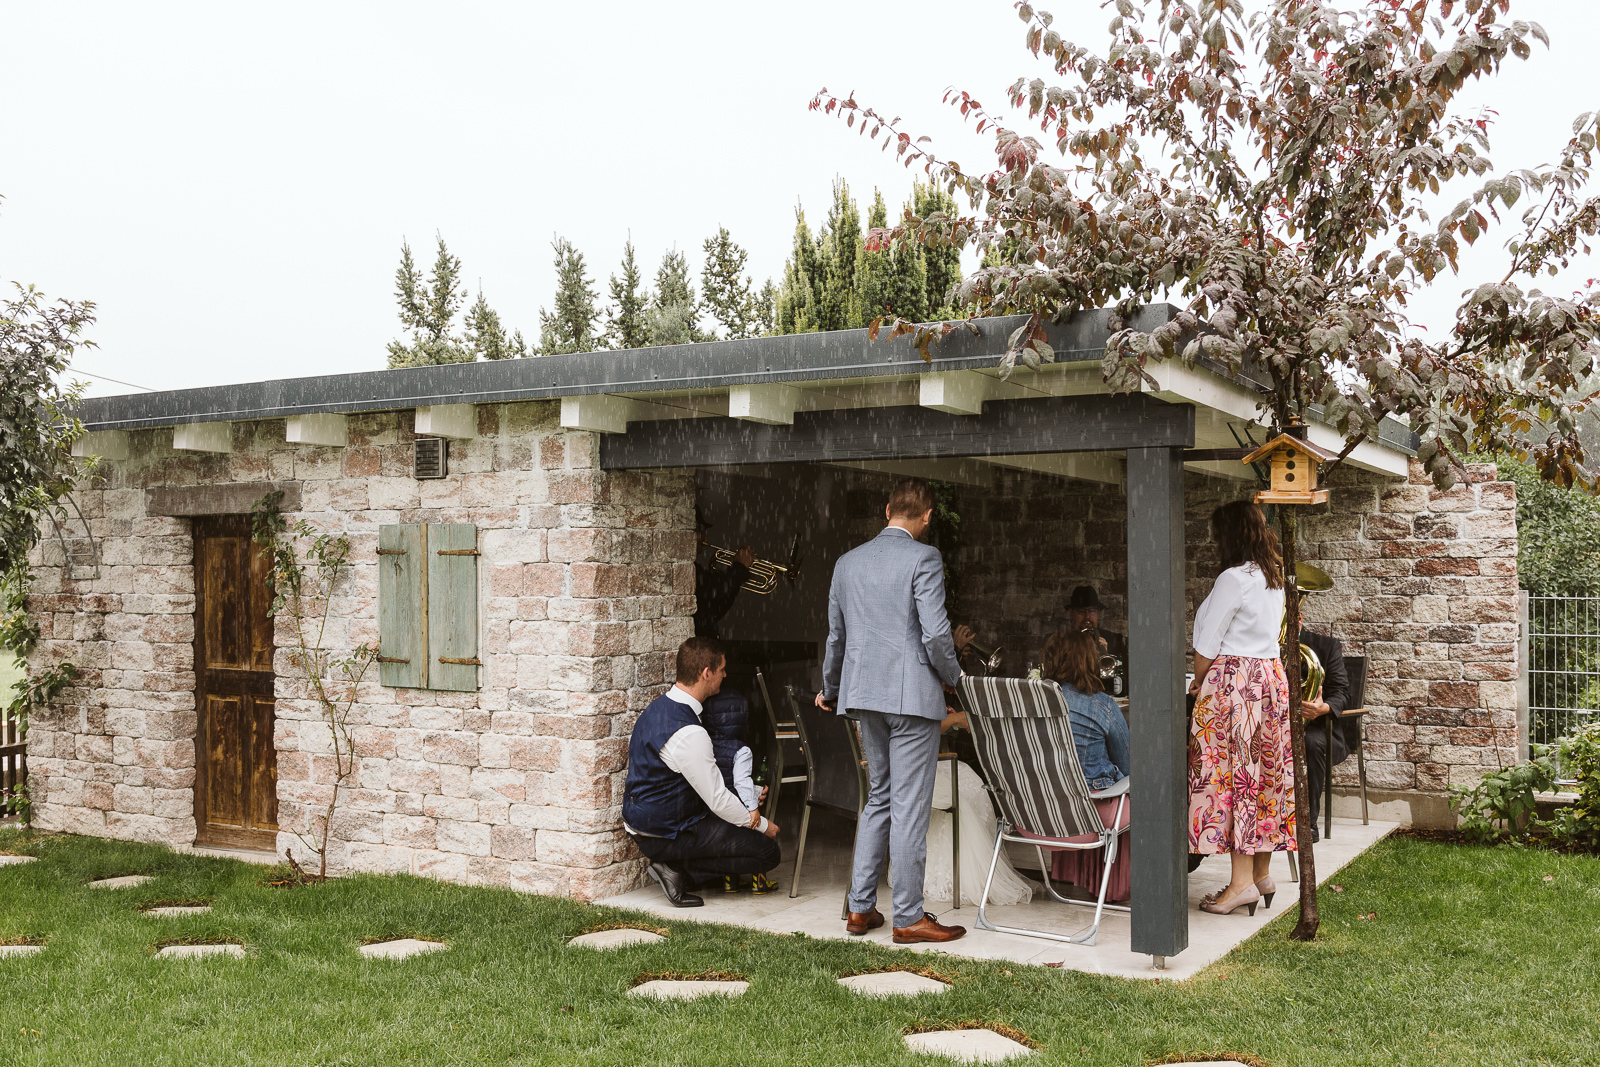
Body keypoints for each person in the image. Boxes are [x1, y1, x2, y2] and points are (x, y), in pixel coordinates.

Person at [817, 477, 968, 945]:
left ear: (887, 510)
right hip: (911, 700)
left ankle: (860, 910)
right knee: (908, 806)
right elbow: (936, 634)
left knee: (878, 798)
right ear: (925, 517)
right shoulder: (924, 557)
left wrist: (830, 687)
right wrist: (956, 679)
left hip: (863, 697)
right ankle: (907, 916)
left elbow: (836, 637)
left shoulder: (847, 563)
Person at [1188, 500, 1295, 917]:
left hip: (1234, 683)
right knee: (1264, 774)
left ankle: (1239, 885)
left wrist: (1200, 682)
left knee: (1236, 778)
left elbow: (1207, 644)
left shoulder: (1233, 579)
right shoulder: (1274, 577)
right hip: (1269, 679)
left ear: (1229, 535)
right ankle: (1260, 875)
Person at [622, 637, 781, 907]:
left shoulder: (657, 708)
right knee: (766, 853)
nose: (725, 675)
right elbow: (717, 800)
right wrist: (763, 825)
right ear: (706, 673)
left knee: (735, 827)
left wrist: (747, 796)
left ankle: (680, 867)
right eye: (722, 670)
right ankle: (678, 871)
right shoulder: (689, 731)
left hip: (644, 822)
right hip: (665, 832)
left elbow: (684, 776)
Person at [1037, 627, 1133, 901]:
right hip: (1089, 818)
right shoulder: (1102, 705)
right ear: (1088, 661)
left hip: (1037, 815)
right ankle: (1117, 886)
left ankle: (1074, 877)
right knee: (1136, 788)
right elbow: (1127, 766)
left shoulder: (1031, 704)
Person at [922, 705, 1034, 908]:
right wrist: (954, 719)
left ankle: (949, 868)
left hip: (906, 770)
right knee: (967, 788)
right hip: (915, 773)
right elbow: (919, 731)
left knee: (967, 778)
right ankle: (963, 875)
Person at [700, 689, 779, 893]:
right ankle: (759, 881)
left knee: (730, 845)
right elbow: (741, 782)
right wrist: (753, 809)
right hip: (738, 807)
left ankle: (730, 881)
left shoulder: (706, 745)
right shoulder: (741, 750)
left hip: (717, 809)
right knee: (756, 840)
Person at [1299, 627, 1351, 841]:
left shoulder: (1327, 646)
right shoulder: (1265, 644)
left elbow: (1342, 693)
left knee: (1310, 743)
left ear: (1299, 617)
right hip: (1277, 722)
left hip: (1320, 728)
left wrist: (1324, 707)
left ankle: (1308, 823)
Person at [693, 509, 753, 639]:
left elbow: (715, 609)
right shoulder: (690, 571)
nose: (704, 537)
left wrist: (737, 572)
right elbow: (716, 594)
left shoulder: (693, 569)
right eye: (699, 530)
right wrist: (739, 567)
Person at [1066, 585, 1128, 668]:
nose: (1087, 616)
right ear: (1071, 613)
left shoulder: (1114, 641)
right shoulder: (1061, 641)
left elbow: (1123, 675)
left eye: (1092, 611)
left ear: (1098, 613)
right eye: (1081, 611)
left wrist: (1106, 656)